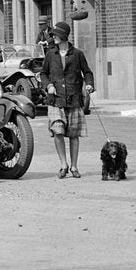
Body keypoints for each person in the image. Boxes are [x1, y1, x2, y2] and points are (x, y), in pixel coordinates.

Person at [39, 21, 94, 178]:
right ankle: (63, 165)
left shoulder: (77, 54)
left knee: (73, 134)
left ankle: (74, 166)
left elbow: (87, 72)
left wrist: (89, 85)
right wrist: (48, 85)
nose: (53, 37)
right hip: (56, 100)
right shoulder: (50, 54)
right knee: (57, 131)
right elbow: (43, 73)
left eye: (55, 34)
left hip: (74, 99)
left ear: (63, 36)